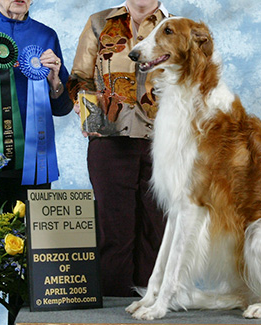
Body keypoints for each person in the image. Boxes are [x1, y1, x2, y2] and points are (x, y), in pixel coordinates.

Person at [0, 0, 72, 324]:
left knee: (30, 258)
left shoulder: (46, 35)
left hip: (34, 160)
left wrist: (56, 82)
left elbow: (63, 106)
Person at [67, 0, 171, 297]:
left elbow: (190, 81)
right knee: (114, 230)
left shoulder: (176, 27)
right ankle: (112, 304)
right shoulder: (100, 22)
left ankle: (152, 301)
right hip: (109, 139)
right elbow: (80, 78)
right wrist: (85, 107)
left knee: (158, 229)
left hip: (163, 143)